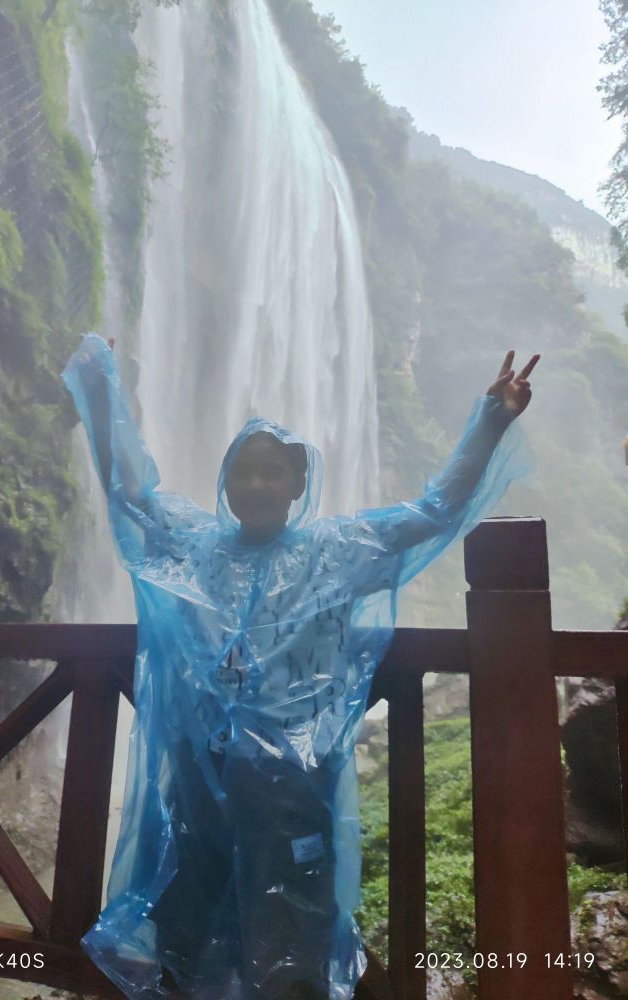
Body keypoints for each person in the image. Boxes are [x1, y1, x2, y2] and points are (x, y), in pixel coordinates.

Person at [61, 335, 537, 1000]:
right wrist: (100, 385)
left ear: (298, 485)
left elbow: (432, 512)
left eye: (273, 472)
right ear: (225, 481)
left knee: (293, 936)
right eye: (244, 471)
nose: (256, 484)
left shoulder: (334, 551)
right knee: (187, 926)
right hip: (200, 785)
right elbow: (134, 490)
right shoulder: (196, 545)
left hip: (292, 791)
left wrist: (490, 420)